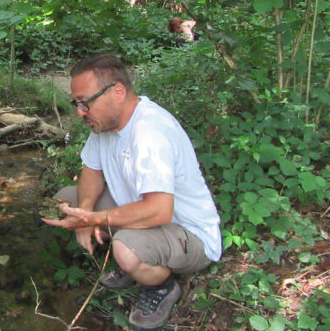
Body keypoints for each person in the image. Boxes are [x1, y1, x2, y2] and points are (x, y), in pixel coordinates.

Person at [43, 55, 221, 330]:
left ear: (118, 92)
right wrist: (87, 207)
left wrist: (94, 220)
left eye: (85, 102)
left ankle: (162, 286)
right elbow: (91, 170)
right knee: (66, 197)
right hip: (148, 218)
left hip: (188, 232)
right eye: (76, 103)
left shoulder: (150, 132)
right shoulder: (104, 124)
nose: (80, 112)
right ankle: (134, 257)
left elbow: (160, 211)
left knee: (126, 249)